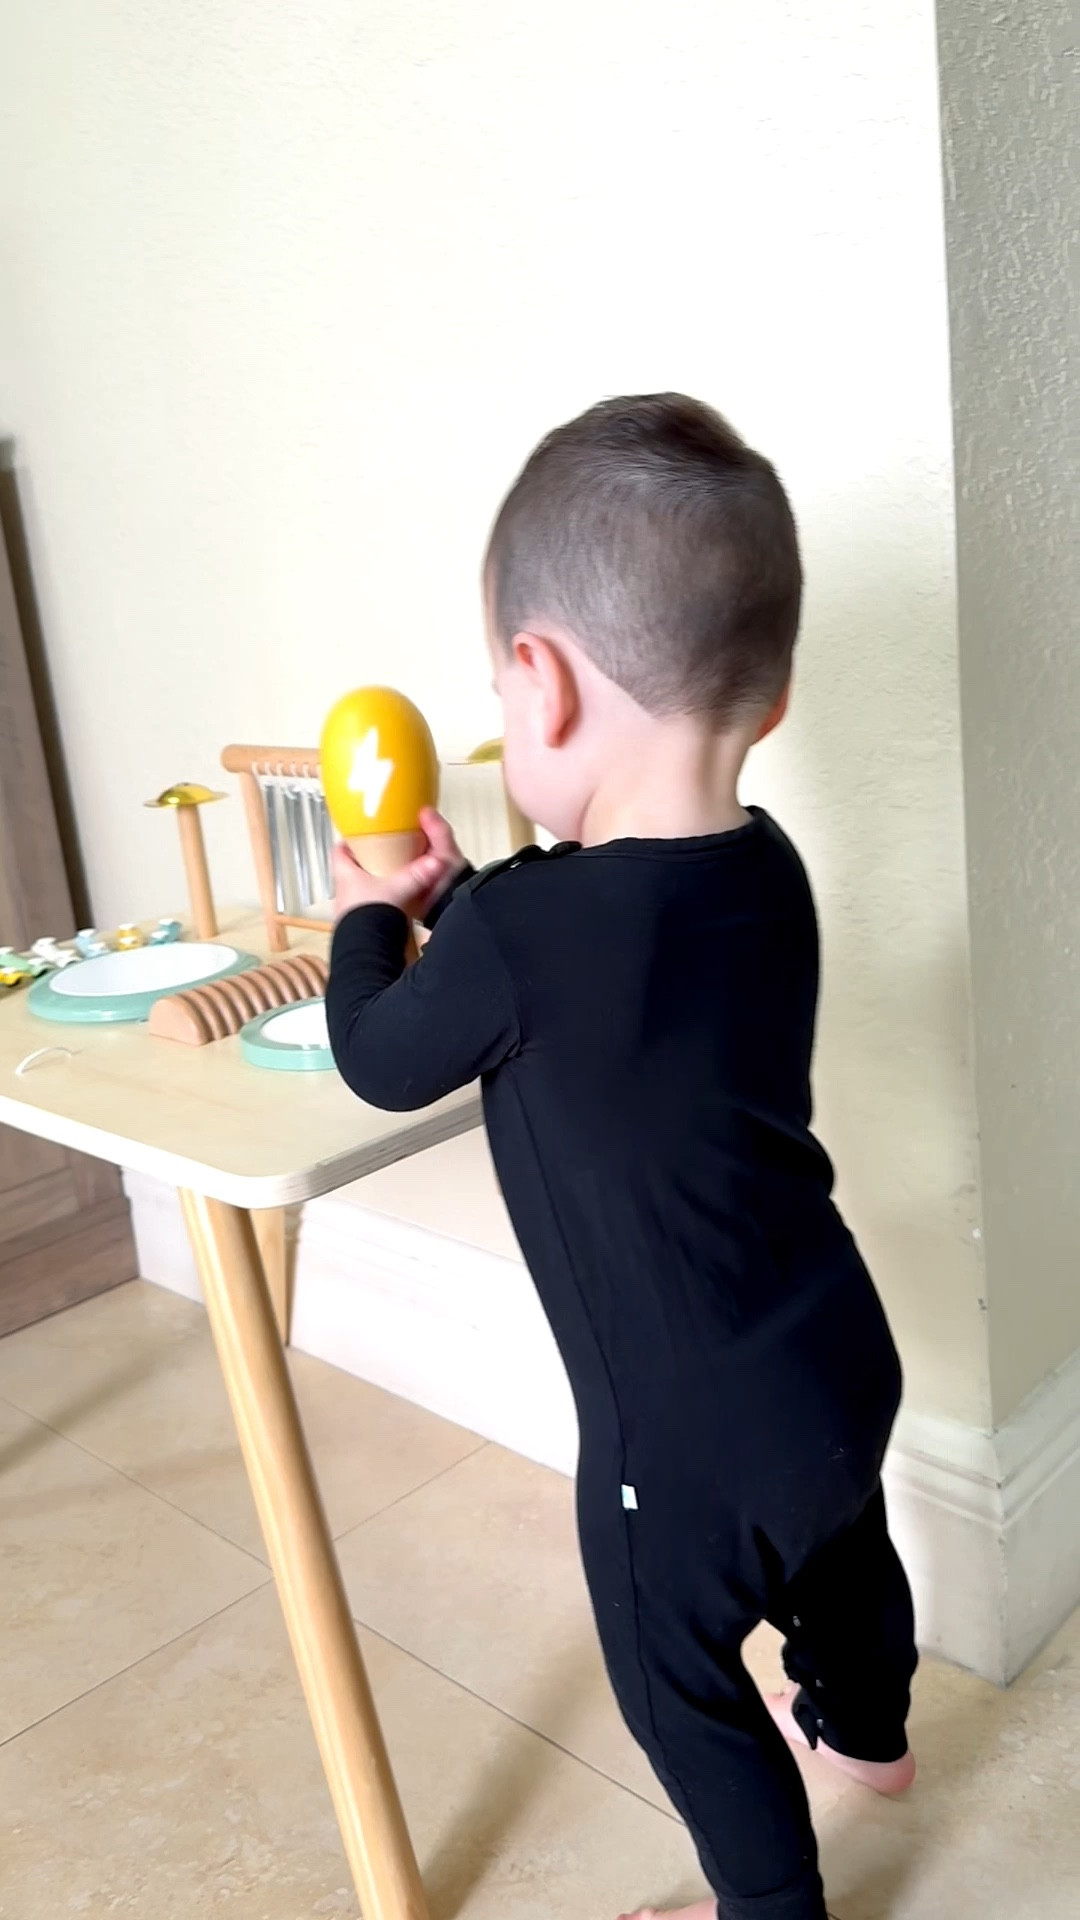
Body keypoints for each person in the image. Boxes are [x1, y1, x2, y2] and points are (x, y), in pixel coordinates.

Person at [325, 395, 918, 1920]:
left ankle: (768, 1910)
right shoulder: (766, 866)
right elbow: (609, 988)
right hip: (837, 1355)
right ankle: (870, 1729)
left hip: (687, 1444)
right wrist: (468, 911)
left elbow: (388, 1060)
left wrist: (372, 917)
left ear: (541, 683)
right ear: (767, 701)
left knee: (671, 1673)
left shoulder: (525, 930)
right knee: (842, 1547)